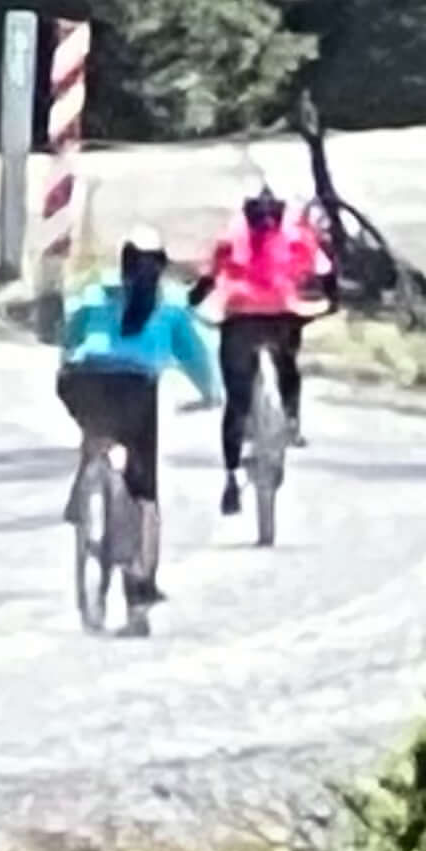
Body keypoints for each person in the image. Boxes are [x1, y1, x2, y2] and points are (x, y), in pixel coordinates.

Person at [57, 226, 222, 628]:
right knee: (144, 491)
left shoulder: (97, 292)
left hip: (81, 381)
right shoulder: (172, 304)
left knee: (94, 427)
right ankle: (140, 584)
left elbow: (71, 335)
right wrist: (210, 394)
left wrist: (68, 361)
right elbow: (195, 358)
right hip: (136, 389)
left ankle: (89, 470)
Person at [190, 179, 333, 515]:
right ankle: (293, 420)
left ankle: (230, 476)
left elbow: (210, 278)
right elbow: (325, 272)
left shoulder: (233, 240)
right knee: (288, 364)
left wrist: (195, 298)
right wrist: (331, 297)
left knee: (237, 403)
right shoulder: (299, 237)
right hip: (283, 316)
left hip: (240, 320)